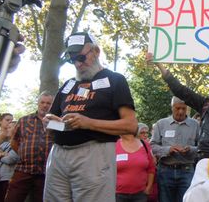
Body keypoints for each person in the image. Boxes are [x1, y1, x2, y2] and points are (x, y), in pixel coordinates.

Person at [42, 32, 137, 202]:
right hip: (58, 154)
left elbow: (131, 125)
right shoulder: (68, 84)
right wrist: (49, 121)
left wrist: (88, 123)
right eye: (72, 60)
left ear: (96, 52)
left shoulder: (115, 80)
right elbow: (51, 119)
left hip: (94, 153)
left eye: (81, 57)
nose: (77, 64)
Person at [4, 92, 54, 202]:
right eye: (42, 102)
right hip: (23, 170)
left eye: (48, 103)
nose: (45, 105)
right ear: (38, 103)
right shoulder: (24, 120)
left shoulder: (56, 122)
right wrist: (23, 154)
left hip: (45, 172)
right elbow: (14, 141)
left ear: (52, 105)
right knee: (12, 198)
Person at [150, 96, 200, 202]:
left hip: (187, 170)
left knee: (186, 199)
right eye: (177, 108)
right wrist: (168, 149)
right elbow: (152, 146)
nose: (181, 111)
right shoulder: (161, 124)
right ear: (172, 107)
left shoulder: (195, 125)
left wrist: (190, 149)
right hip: (165, 170)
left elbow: (202, 147)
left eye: (183, 108)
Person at [115, 131, 156, 202]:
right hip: (117, 194)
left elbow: (151, 168)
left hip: (140, 194)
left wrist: (149, 187)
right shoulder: (114, 145)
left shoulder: (145, 145)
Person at [0, 118, 19, 202]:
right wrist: (1, 154)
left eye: (10, 127)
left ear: (16, 129)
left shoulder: (20, 143)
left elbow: (10, 159)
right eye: (7, 127)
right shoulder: (5, 143)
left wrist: (0, 154)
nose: (7, 129)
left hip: (8, 178)